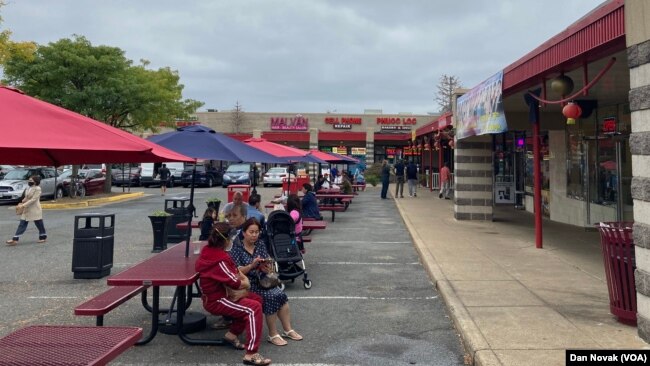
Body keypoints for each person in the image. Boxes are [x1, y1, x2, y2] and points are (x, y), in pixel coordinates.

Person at [195, 222, 272, 366]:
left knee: (257, 299)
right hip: (217, 300)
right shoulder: (219, 259)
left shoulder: (210, 250)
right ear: (225, 239)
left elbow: (234, 272)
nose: (232, 241)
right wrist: (246, 282)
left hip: (222, 294)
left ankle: (232, 335)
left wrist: (241, 277)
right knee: (253, 309)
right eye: (231, 238)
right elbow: (235, 282)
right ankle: (251, 354)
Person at [229, 218, 303, 348]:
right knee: (271, 296)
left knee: (280, 294)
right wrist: (252, 266)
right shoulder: (237, 249)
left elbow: (267, 260)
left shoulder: (261, 244)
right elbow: (237, 271)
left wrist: (266, 266)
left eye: (257, 232)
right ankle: (273, 334)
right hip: (248, 284)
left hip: (263, 280)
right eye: (251, 232)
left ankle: (287, 329)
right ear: (244, 233)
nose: (254, 235)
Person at [6, 175, 47, 246]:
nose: (29, 182)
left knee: (39, 223)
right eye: (29, 180)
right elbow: (26, 197)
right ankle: (15, 239)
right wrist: (22, 201)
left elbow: (34, 199)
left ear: (35, 181)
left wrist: (23, 205)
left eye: (31, 181)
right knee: (22, 224)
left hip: (34, 209)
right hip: (27, 209)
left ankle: (43, 236)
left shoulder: (38, 189)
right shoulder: (28, 188)